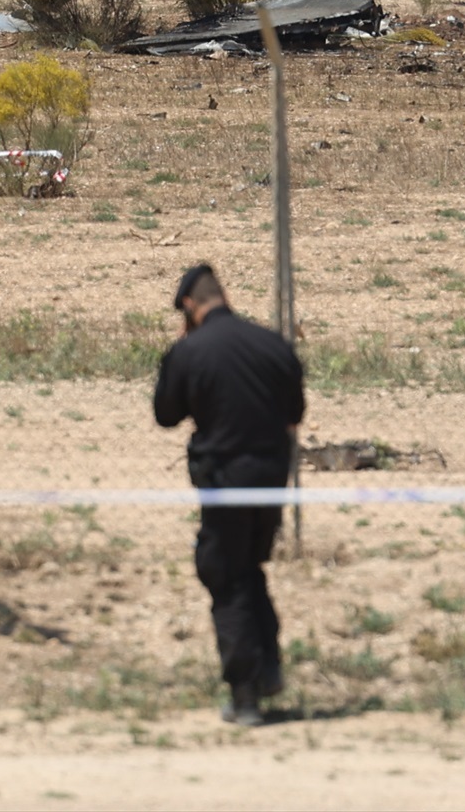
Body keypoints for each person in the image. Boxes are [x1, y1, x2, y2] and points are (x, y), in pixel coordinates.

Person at [154, 265, 305, 727]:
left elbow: (166, 414)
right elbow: (295, 411)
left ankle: (245, 695)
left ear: (189, 307)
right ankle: (269, 667)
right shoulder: (272, 344)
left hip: (224, 481)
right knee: (248, 568)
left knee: (223, 574)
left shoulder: (191, 351)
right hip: (271, 477)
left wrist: (181, 353)